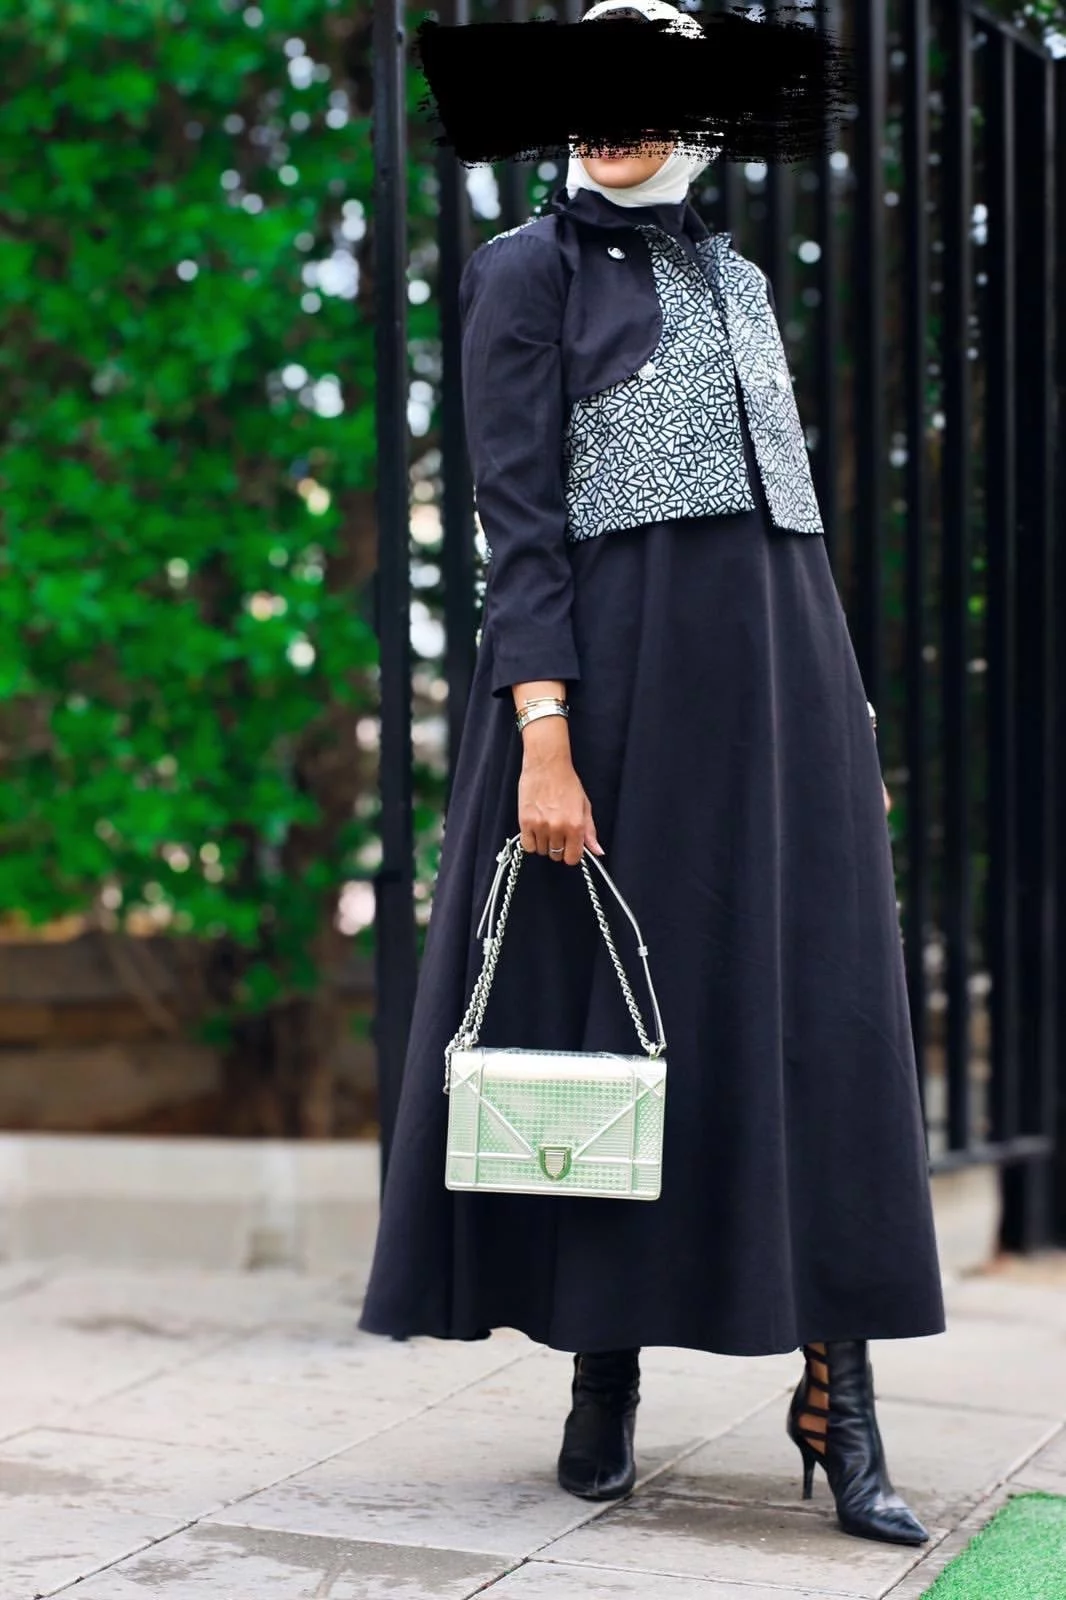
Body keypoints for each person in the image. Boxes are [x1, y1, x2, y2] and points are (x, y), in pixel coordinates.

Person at [359, 0, 946, 1548]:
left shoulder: (736, 279)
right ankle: (600, 1376)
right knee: (608, 1025)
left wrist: (845, 714)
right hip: (613, 702)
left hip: (782, 706)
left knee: (809, 1025)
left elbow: (785, 526)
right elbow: (515, 522)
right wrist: (542, 732)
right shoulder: (526, 271)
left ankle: (838, 1398)